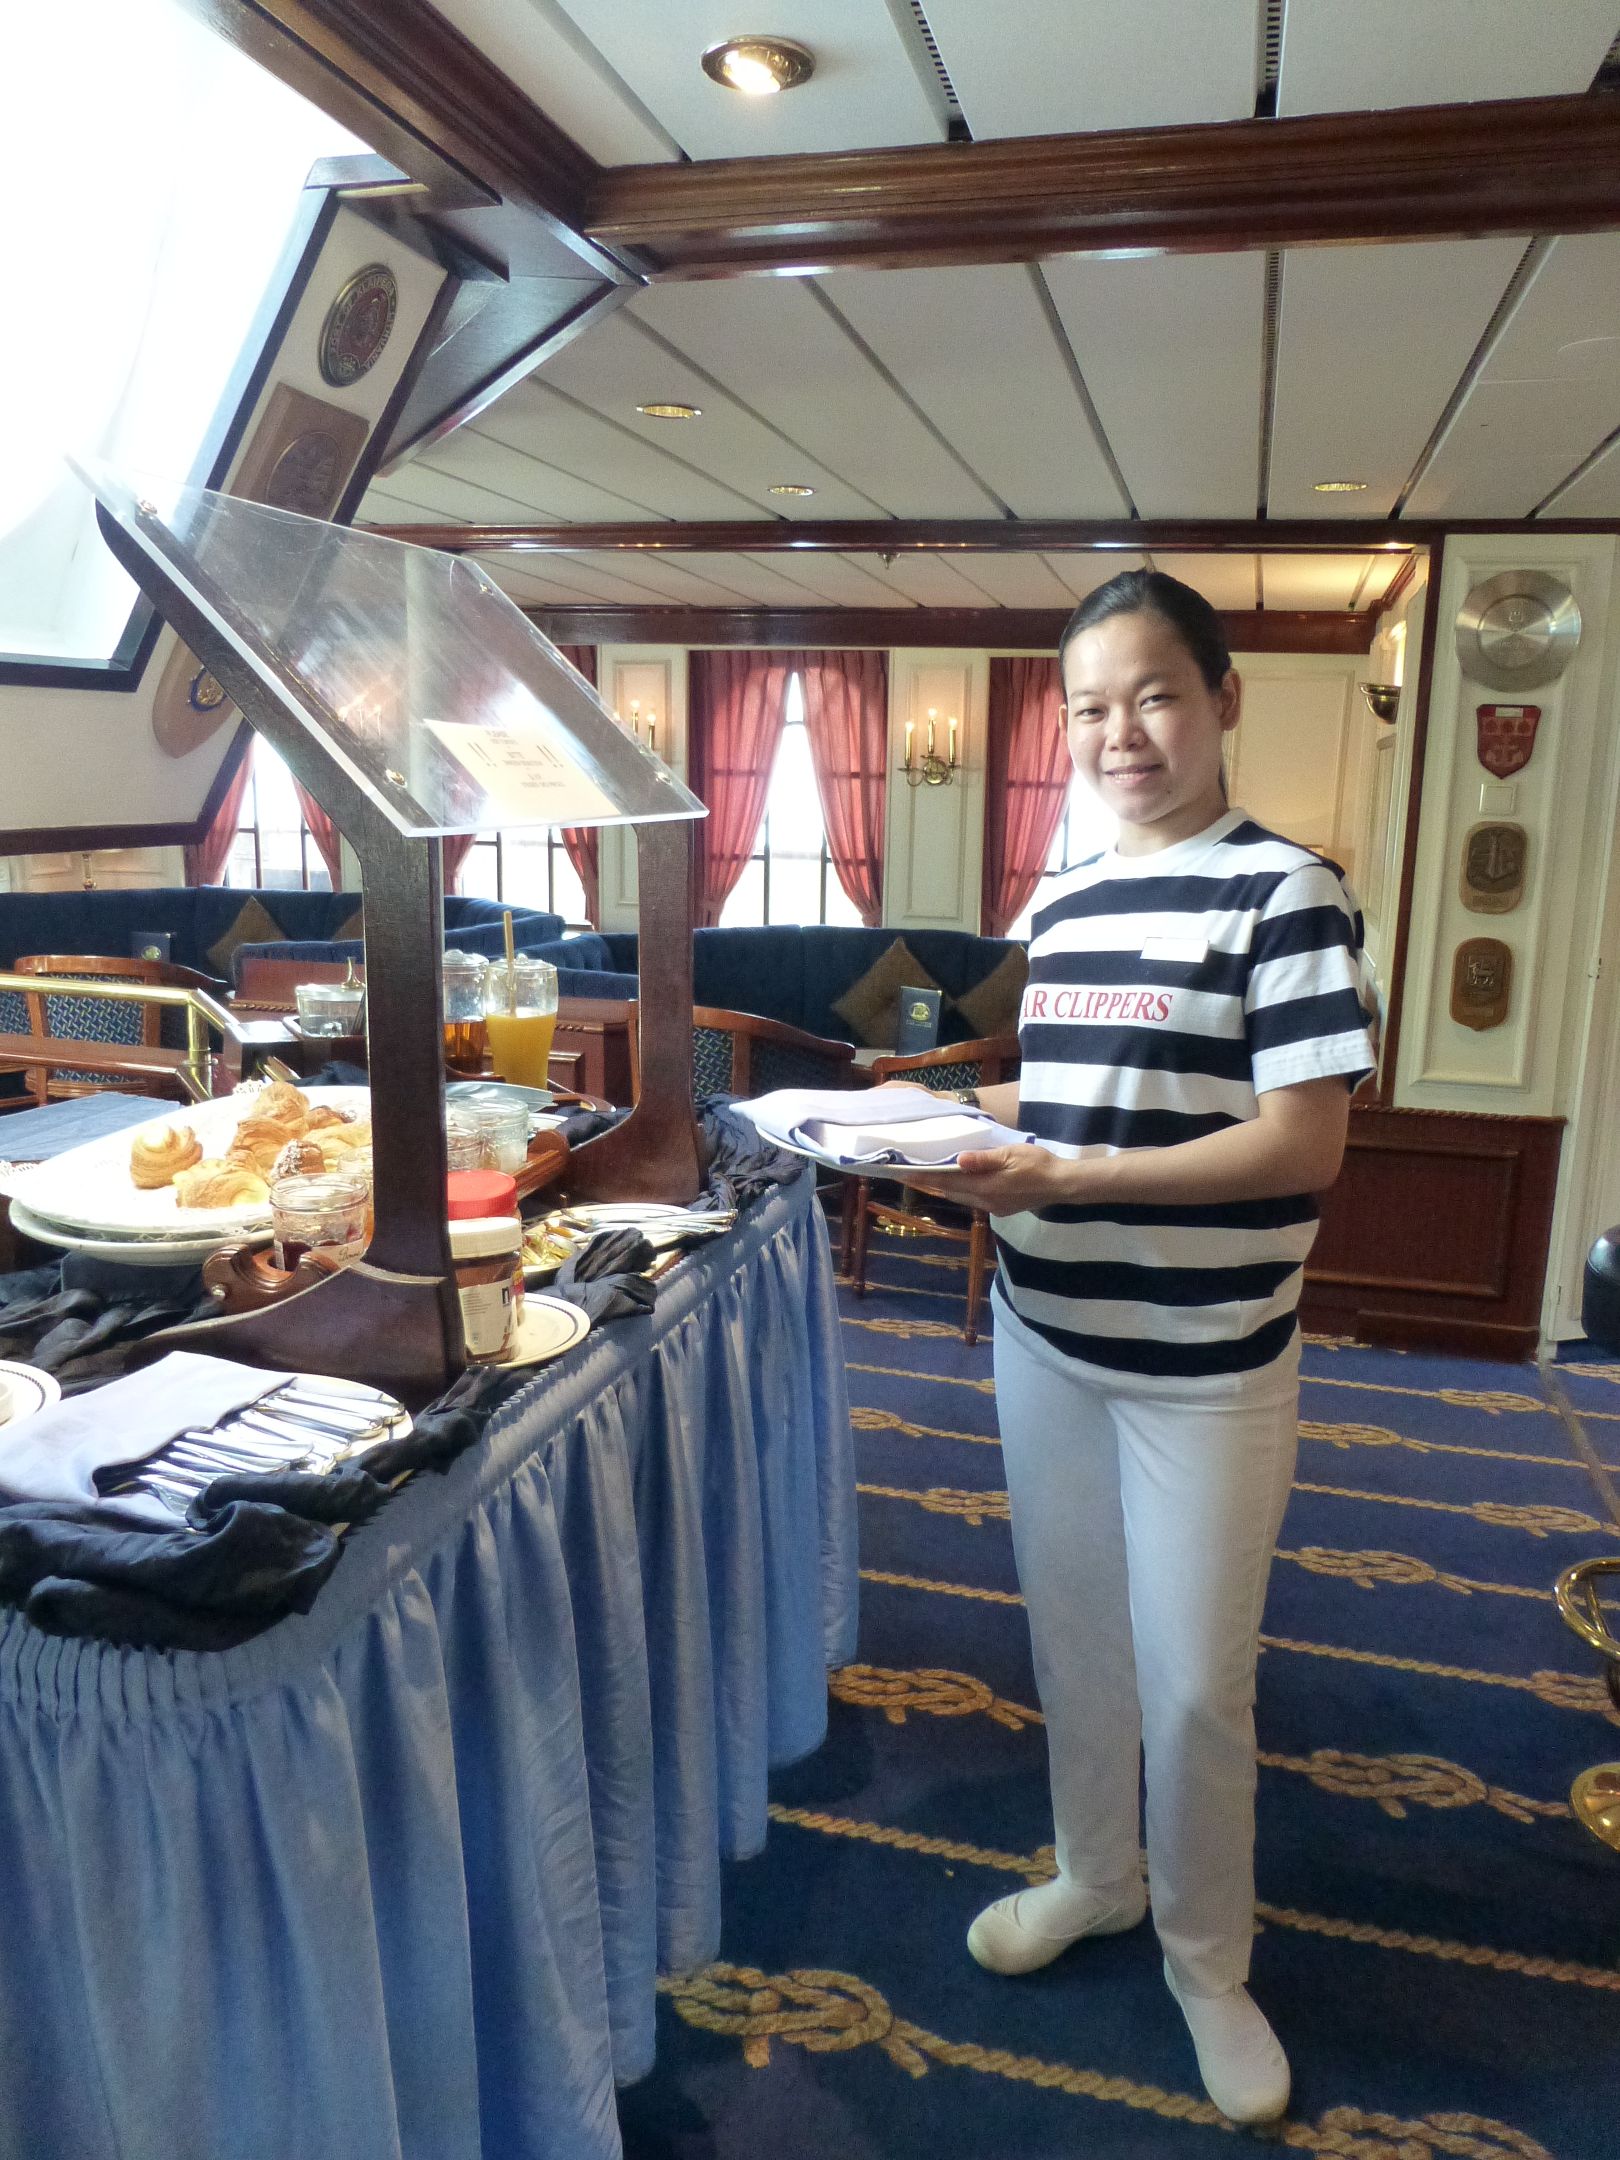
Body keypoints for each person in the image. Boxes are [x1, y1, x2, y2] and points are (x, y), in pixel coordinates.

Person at [897, 570, 1375, 2125]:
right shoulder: (1069, 895)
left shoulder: (1287, 895)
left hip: (1208, 1363)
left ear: (1223, 699)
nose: (1124, 734)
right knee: (1076, 1643)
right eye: (1092, 707)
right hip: (1047, 1334)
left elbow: (1302, 1144)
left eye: (1156, 695)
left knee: (1196, 1687)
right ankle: (1098, 1874)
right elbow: (1064, 1097)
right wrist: (921, 1128)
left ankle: (1207, 1960)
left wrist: (1075, 1176)